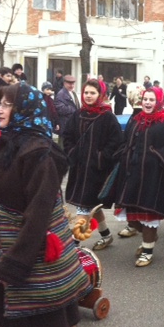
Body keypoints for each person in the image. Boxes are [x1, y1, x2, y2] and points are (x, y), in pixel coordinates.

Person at [0, 83, 88, 327]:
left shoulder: (39, 154)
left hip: (22, 250)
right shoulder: (7, 143)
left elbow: (39, 214)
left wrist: (17, 262)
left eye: (6, 104)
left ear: (24, 109)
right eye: (0, 103)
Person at [114, 87, 164, 267]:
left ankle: (147, 251)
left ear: (159, 102)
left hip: (156, 176)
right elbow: (125, 142)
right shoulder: (136, 120)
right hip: (132, 174)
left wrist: (157, 155)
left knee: (148, 215)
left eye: (151, 100)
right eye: (145, 99)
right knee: (130, 215)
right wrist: (124, 157)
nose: (147, 103)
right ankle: (150, 237)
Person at [63, 79, 123, 250]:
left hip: (97, 170)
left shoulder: (107, 116)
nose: (88, 96)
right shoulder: (78, 114)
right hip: (79, 168)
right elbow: (67, 137)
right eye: (86, 93)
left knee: (84, 205)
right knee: (90, 205)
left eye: (93, 93)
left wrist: (101, 157)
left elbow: (116, 141)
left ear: (100, 95)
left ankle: (74, 245)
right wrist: (72, 153)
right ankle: (106, 235)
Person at [54, 74, 80, 145]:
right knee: (63, 146)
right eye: (69, 84)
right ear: (65, 83)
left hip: (72, 124)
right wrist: (74, 109)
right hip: (65, 125)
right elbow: (60, 109)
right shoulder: (61, 94)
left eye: (73, 84)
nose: (71, 85)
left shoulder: (73, 93)